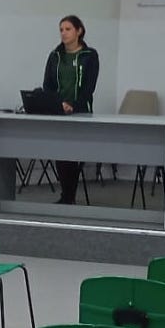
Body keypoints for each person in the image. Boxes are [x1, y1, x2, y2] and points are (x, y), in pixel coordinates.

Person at [41, 15, 100, 204]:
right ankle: (66, 196)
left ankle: (69, 196)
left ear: (79, 31)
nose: (64, 33)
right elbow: (48, 85)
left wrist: (73, 105)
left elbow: (89, 87)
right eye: (61, 30)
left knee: (72, 153)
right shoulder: (55, 56)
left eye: (68, 29)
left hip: (80, 112)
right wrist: (58, 104)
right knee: (61, 153)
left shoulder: (89, 55)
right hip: (59, 112)